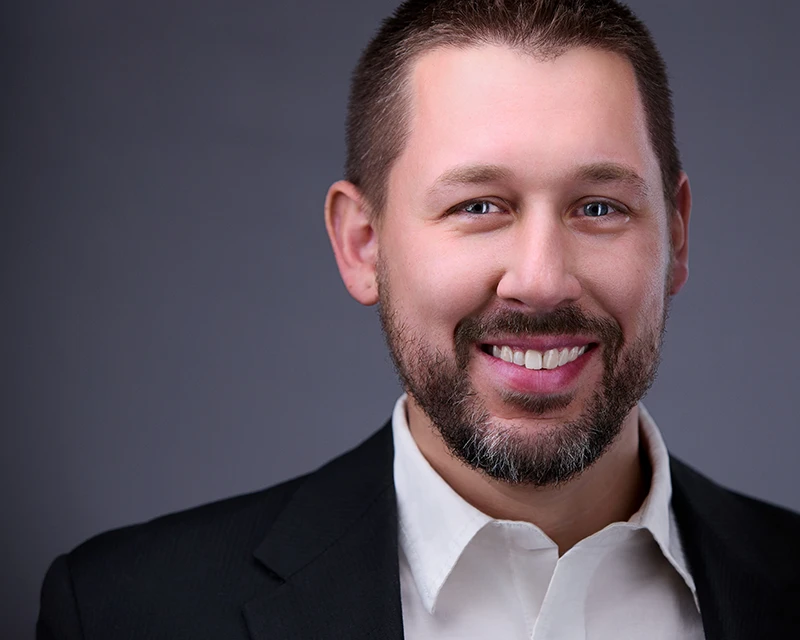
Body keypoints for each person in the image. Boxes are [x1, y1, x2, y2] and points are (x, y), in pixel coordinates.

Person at [37, 0, 800, 638]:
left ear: (677, 237)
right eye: (478, 206)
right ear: (363, 245)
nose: (539, 280)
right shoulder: (122, 611)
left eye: (599, 207)